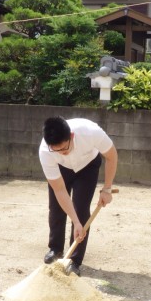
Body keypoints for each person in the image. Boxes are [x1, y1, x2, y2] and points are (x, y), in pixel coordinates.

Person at [39, 116, 118, 276]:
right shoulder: (45, 152)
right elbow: (59, 190)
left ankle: (75, 260)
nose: (63, 153)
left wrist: (107, 189)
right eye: (58, 150)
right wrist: (73, 221)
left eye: (65, 148)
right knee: (56, 207)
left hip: (87, 167)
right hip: (61, 169)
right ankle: (55, 249)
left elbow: (111, 156)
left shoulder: (91, 132)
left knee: (81, 210)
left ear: (72, 136)